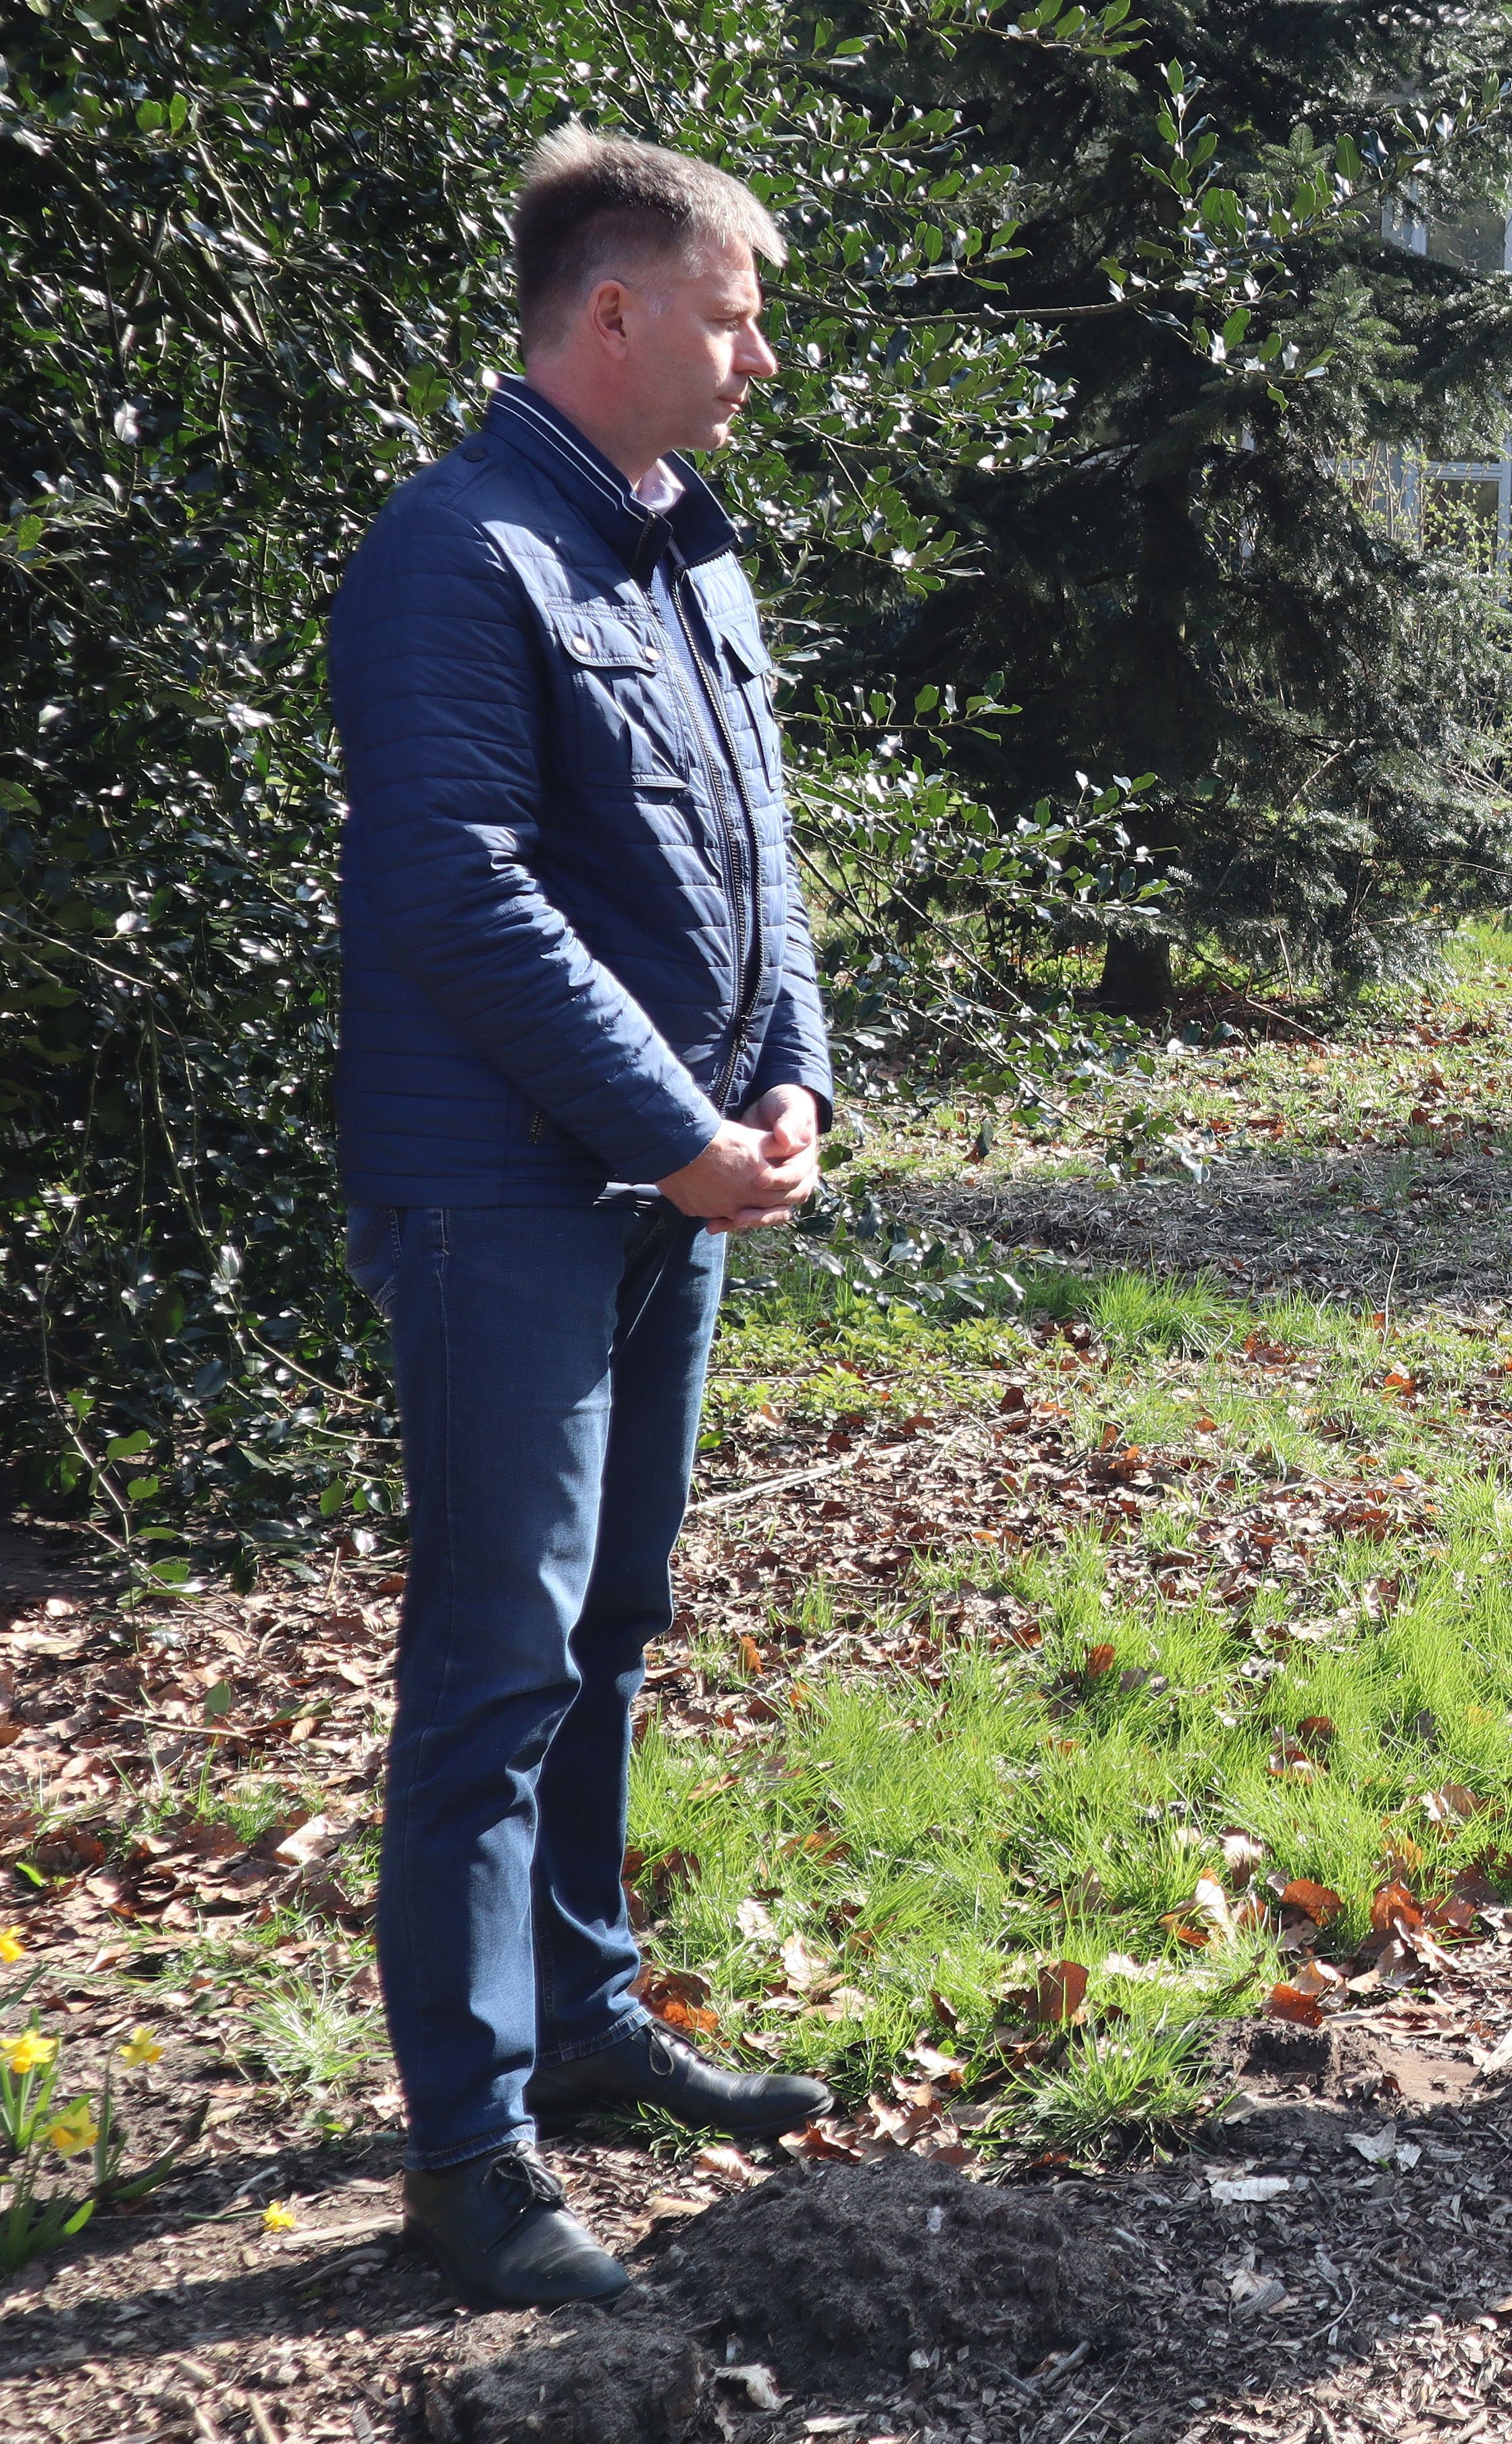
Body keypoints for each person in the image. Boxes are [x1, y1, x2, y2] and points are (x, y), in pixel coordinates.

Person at [330, 128, 839, 2309]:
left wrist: (791, 1074)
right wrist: (674, 1126)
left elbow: (762, 856)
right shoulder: (456, 554)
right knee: (498, 1656)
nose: (759, 358)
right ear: (612, 315)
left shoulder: (686, 553)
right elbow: (456, 892)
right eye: (733, 316)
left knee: (612, 1617)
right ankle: (467, 2150)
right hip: (504, 1197)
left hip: (668, 1191)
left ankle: (586, 2018)